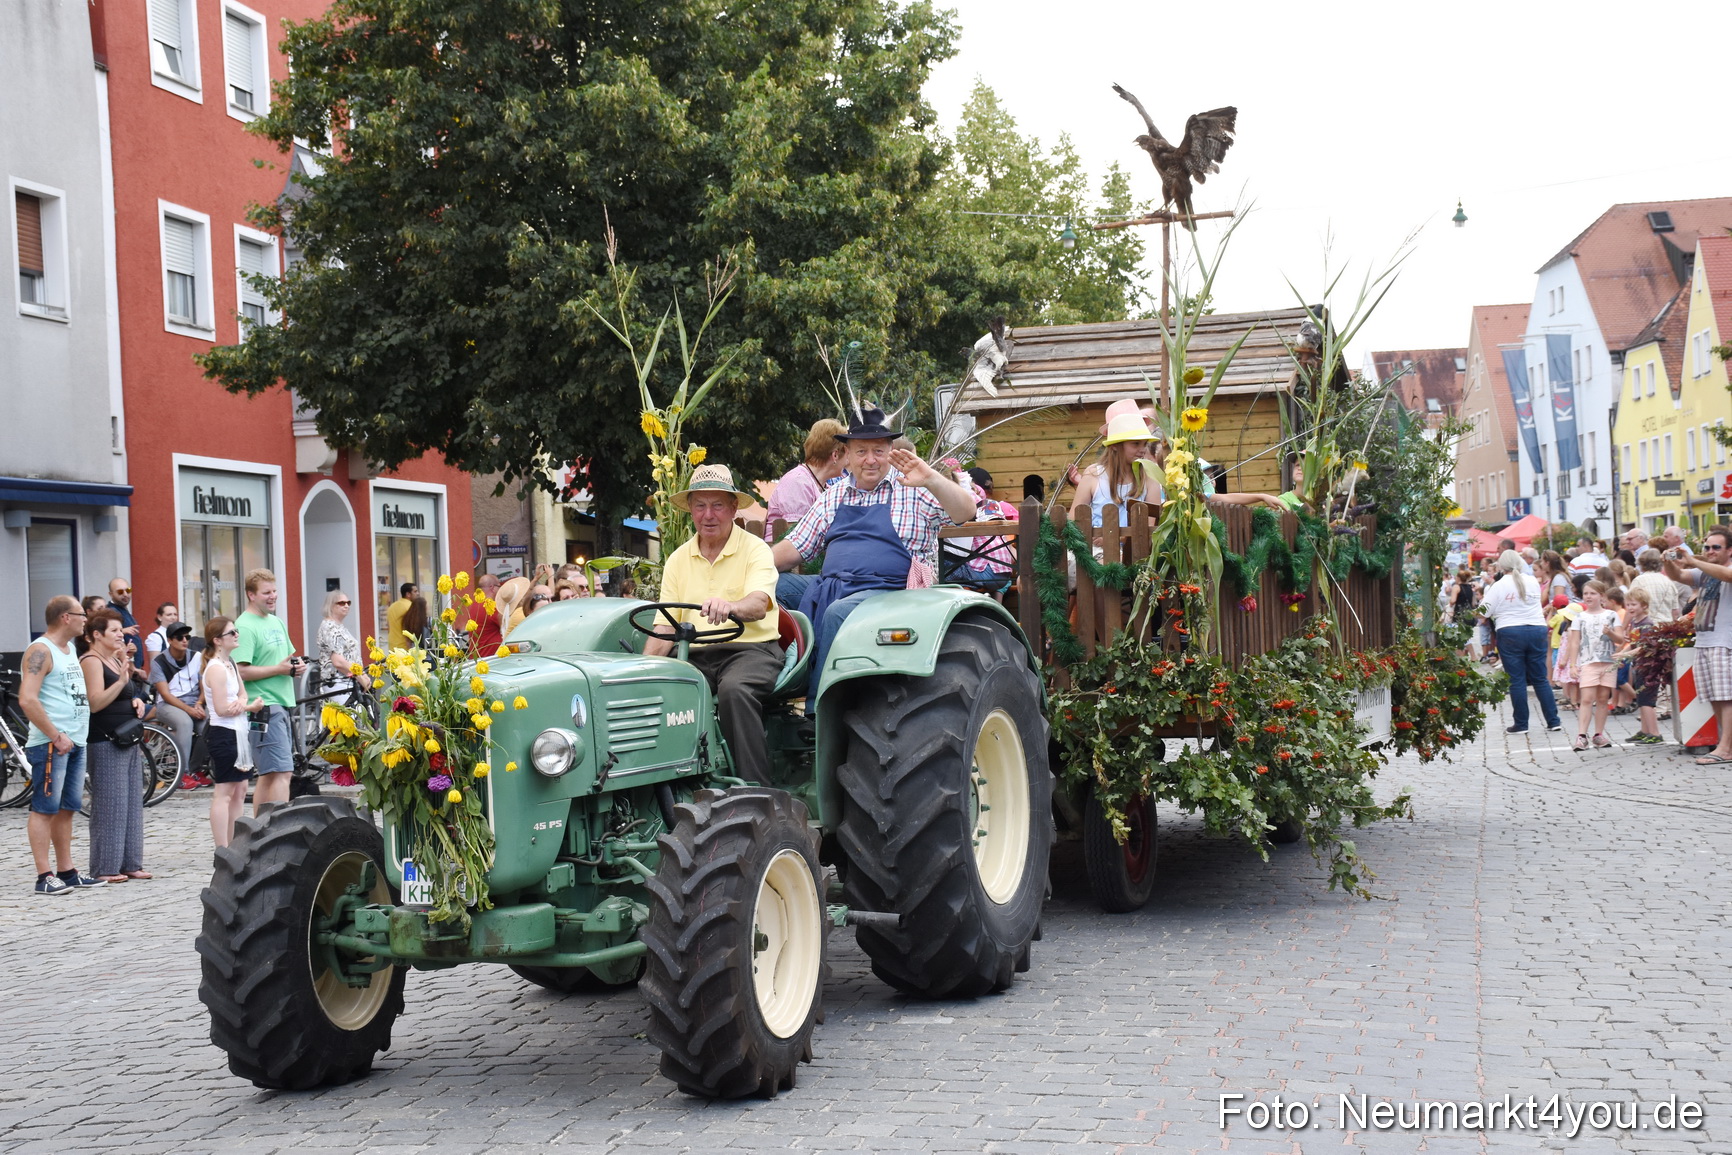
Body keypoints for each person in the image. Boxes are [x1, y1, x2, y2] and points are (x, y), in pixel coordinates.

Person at [772, 405, 976, 697]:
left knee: (837, 613)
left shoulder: (914, 489)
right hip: (833, 587)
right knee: (772, 585)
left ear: (891, 451)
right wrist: (752, 569)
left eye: (878, 451)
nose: (870, 460)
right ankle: (780, 683)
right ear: (847, 455)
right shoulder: (834, 494)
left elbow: (966, 511)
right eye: (861, 451)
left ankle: (819, 707)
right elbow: (797, 546)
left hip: (891, 593)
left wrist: (931, 477)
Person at [647, 465, 785, 786]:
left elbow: (758, 604)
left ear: (734, 508)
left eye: (718, 505)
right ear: (690, 510)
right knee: (659, 691)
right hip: (696, 655)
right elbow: (667, 625)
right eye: (700, 505)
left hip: (751, 651)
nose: (708, 515)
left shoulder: (755, 550)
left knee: (734, 691)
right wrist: (643, 670)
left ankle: (755, 793)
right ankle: (668, 789)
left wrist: (732, 606)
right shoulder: (678, 559)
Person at [18, 596, 103, 894]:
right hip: (52, 743)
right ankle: (44, 876)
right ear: (66, 617)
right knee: (45, 808)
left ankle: (67, 871)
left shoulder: (69, 650)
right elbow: (27, 698)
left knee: (67, 808)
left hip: (74, 740)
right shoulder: (41, 650)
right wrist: (55, 734)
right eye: (82, 614)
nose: (86, 619)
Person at [81, 609, 149, 883]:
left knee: (132, 803)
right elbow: (95, 702)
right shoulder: (91, 660)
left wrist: (138, 700)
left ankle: (130, 862)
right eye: (114, 631)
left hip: (127, 738)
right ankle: (105, 867)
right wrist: (122, 681)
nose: (121, 634)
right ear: (97, 635)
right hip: (105, 739)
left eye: (121, 630)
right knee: (110, 805)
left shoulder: (114, 659)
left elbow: (130, 692)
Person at [233, 569, 304, 814]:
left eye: (274, 591)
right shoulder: (244, 625)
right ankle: (276, 829)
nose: (273, 596)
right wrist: (280, 669)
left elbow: (284, 661)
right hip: (262, 706)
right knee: (282, 772)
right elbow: (240, 671)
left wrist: (295, 667)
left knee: (269, 774)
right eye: (266, 593)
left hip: (281, 703)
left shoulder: (276, 621)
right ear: (251, 595)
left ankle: (261, 830)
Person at [1663, 529, 1732, 763]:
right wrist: (1669, 561)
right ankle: (1727, 745)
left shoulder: (1725, 569)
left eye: (1716, 548)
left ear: (1729, 550)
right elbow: (1679, 576)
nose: (1709, 551)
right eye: (1707, 547)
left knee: (1726, 697)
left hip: (1725, 642)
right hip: (1705, 641)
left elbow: (1727, 575)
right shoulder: (1705, 572)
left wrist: (1694, 560)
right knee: (1714, 697)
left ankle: (1725, 749)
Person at [1481, 551, 1562, 735]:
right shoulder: (1532, 581)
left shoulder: (1499, 585)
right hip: (1536, 628)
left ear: (1501, 566)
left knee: (1516, 680)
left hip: (1510, 630)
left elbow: (1483, 611)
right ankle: (1553, 720)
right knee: (1540, 678)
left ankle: (1521, 723)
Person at [202, 616, 267, 847]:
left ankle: (234, 842)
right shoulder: (216, 669)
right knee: (224, 791)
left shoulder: (230, 664)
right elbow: (222, 708)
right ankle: (222, 846)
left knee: (240, 790)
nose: (237, 635)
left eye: (236, 631)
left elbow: (242, 694)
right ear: (218, 640)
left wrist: (243, 703)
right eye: (232, 633)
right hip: (224, 733)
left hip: (238, 731)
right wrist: (247, 707)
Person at [1070, 402, 1162, 529]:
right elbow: (1073, 521)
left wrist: (1115, 538)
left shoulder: (1150, 477)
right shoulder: (1093, 474)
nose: (1143, 449)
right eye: (1135, 443)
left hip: (1135, 548)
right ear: (1114, 445)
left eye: (1145, 444)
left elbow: (1150, 528)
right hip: (1095, 548)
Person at [1563, 581, 1625, 752]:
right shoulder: (1580, 617)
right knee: (1587, 698)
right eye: (1586, 593)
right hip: (1588, 662)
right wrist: (1573, 665)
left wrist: (1610, 633)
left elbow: (1620, 639)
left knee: (1603, 698)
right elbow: (1575, 642)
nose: (1588, 596)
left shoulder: (1612, 615)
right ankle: (1581, 735)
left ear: (1602, 596)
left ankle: (1598, 734)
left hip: (1607, 662)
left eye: (1593, 593)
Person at [765, 418, 848, 538]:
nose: (848, 461)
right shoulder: (797, 481)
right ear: (835, 455)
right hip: (781, 554)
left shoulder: (823, 486)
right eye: (847, 454)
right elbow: (795, 537)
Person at [149, 621, 206, 774]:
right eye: (179, 637)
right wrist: (190, 710)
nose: (184, 640)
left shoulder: (197, 656)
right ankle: (182, 773)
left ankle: (196, 769)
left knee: (210, 726)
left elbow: (204, 686)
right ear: (169, 640)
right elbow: (165, 695)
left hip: (194, 703)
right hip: (169, 705)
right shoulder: (158, 662)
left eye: (187, 637)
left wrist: (199, 704)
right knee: (185, 723)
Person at [1616, 588, 1664, 744]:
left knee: (1647, 701)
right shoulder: (1634, 622)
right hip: (1639, 666)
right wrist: (1622, 653)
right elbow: (1633, 643)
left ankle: (1655, 733)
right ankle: (1645, 730)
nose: (1630, 608)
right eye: (1628, 604)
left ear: (1644, 606)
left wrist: (1625, 655)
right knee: (1642, 699)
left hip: (1649, 667)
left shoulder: (1647, 624)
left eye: (1633, 604)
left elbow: (1644, 647)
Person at [316, 590, 369, 696]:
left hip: (349, 681)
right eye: (341, 603)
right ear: (331, 606)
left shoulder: (339, 626)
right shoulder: (329, 627)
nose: (346, 606)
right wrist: (360, 677)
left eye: (348, 603)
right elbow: (338, 662)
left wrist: (362, 674)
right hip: (339, 683)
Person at [1629, 548, 1682, 624]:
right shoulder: (1669, 582)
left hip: (1646, 625)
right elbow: (1675, 611)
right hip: (1666, 626)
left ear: (1641, 563)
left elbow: (1631, 606)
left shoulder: (1639, 581)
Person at [466, 572, 504, 655]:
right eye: (499, 586)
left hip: (478, 657)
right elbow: (508, 626)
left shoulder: (474, 605)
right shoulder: (490, 607)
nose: (500, 590)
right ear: (492, 587)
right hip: (491, 658)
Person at [385, 581, 417, 650]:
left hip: (392, 645)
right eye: (415, 591)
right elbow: (410, 628)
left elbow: (388, 626)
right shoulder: (410, 607)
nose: (417, 593)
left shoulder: (392, 606)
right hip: (404, 647)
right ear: (408, 594)